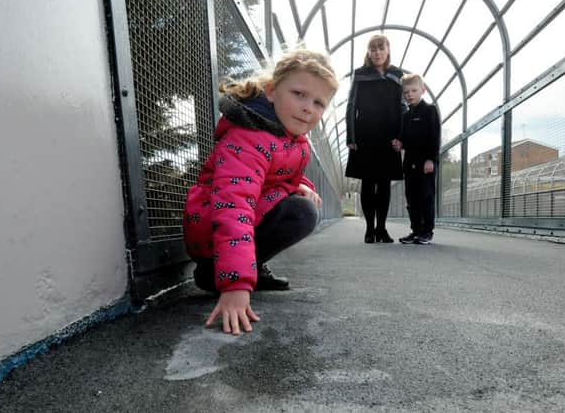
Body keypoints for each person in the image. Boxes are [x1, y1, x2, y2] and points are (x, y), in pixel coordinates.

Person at [183, 49, 338, 335]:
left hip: (242, 216)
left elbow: (282, 175)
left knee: (302, 206)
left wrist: (300, 184)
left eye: (319, 103)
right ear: (271, 92)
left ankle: (248, 266)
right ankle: (215, 272)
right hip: (211, 226)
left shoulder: (291, 138)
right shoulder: (249, 136)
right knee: (300, 211)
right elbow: (233, 205)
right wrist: (235, 285)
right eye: (299, 94)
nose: (308, 108)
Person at [344, 34, 404, 244]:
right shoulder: (361, 74)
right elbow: (351, 105)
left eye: (381, 48)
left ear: (388, 50)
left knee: (385, 183)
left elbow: (402, 106)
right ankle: (369, 229)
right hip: (365, 134)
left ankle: (382, 229)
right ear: (368, 52)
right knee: (368, 182)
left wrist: (401, 136)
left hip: (389, 136)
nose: (377, 53)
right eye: (373, 49)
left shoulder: (397, 74)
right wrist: (351, 136)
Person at [393, 73, 441, 245]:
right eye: (406, 92)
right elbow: (404, 139)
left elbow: (434, 137)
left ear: (423, 90)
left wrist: (431, 159)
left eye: (413, 91)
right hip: (409, 163)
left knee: (425, 197)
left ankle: (427, 231)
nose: (410, 95)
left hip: (425, 163)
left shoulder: (430, 110)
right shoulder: (405, 116)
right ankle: (416, 230)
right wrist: (400, 144)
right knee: (411, 198)